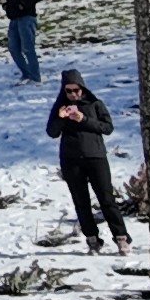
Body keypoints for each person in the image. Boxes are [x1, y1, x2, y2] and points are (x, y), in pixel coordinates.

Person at [47, 68, 130, 254]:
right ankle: (92, 239)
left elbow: (107, 128)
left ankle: (121, 237)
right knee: (81, 201)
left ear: (83, 88)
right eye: (68, 91)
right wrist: (61, 119)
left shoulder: (95, 104)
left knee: (107, 199)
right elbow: (52, 132)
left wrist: (84, 119)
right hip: (71, 160)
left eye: (76, 90)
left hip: (96, 157)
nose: (73, 94)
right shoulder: (60, 108)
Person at [0, 0, 45, 84]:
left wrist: (23, 4)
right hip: (14, 19)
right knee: (13, 48)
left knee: (28, 48)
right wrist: (7, 6)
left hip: (27, 17)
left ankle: (35, 77)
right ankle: (26, 74)